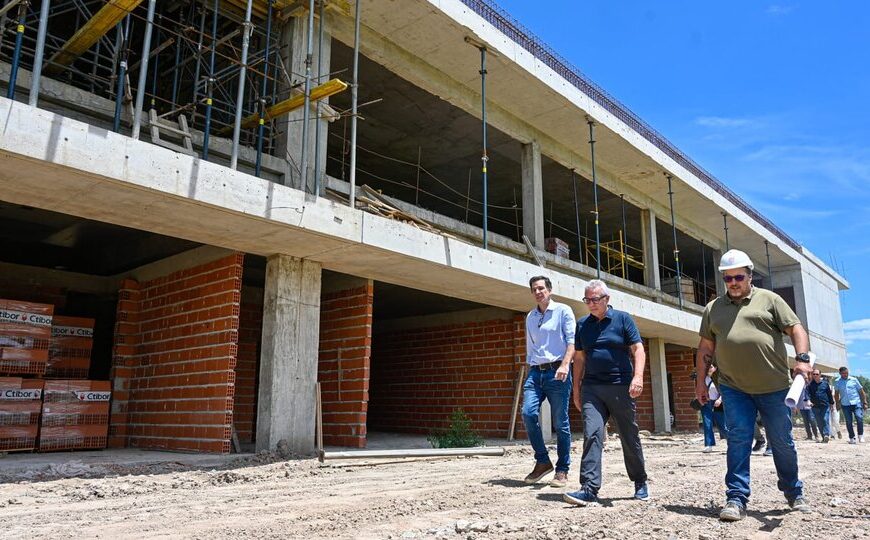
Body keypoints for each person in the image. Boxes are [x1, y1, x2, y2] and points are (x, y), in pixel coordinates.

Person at [694, 249, 813, 522]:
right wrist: (701, 382)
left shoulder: (769, 300)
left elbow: (796, 328)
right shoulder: (713, 308)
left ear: (749, 276)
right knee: (738, 439)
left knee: (782, 442)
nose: (733, 282)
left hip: (774, 387)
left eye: (738, 277)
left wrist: (803, 359)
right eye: (728, 278)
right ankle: (736, 498)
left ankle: (794, 493)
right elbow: (705, 347)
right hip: (734, 388)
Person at [564, 279, 649, 506]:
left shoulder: (622, 319)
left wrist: (637, 377)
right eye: (587, 299)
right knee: (592, 434)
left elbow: (638, 349)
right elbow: (579, 358)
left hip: (621, 386)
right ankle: (589, 488)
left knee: (628, 436)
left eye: (595, 299)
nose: (590, 303)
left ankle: (640, 480)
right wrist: (576, 390)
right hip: (592, 388)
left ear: (607, 299)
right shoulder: (582, 325)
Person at [522, 275, 576, 487]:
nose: (538, 292)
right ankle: (543, 461)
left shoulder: (563, 311)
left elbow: (572, 342)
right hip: (536, 372)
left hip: (558, 371)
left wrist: (565, 365)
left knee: (561, 423)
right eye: (534, 289)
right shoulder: (530, 317)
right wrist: (529, 368)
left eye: (541, 288)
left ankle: (562, 470)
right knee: (527, 413)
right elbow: (531, 347)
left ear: (550, 290)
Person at [833, 366, 867, 444]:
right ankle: (852, 438)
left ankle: (860, 435)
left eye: (847, 373)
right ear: (840, 373)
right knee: (848, 421)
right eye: (843, 373)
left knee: (859, 418)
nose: (845, 375)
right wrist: (838, 403)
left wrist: (864, 402)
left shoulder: (854, 380)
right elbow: (836, 394)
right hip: (845, 404)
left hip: (856, 403)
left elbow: (861, 391)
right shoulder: (837, 381)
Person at [702, 362, 729, 452]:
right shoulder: (702, 378)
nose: (709, 368)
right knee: (707, 423)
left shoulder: (719, 378)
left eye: (711, 366)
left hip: (717, 402)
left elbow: (724, 391)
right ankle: (709, 445)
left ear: (715, 368)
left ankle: (731, 442)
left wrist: (720, 400)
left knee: (722, 424)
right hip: (706, 403)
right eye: (707, 367)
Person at [807, 370, 834, 443]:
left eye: (817, 374)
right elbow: (807, 394)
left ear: (820, 375)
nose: (815, 375)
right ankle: (823, 437)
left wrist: (832, 403)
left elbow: (829, 394)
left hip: (825, 405)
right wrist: (808, 401)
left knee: (825, 419)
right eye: (814, 374)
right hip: (815, 406)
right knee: (819, 422)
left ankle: (826, 435)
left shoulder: (825, 384)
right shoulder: (810, 385)